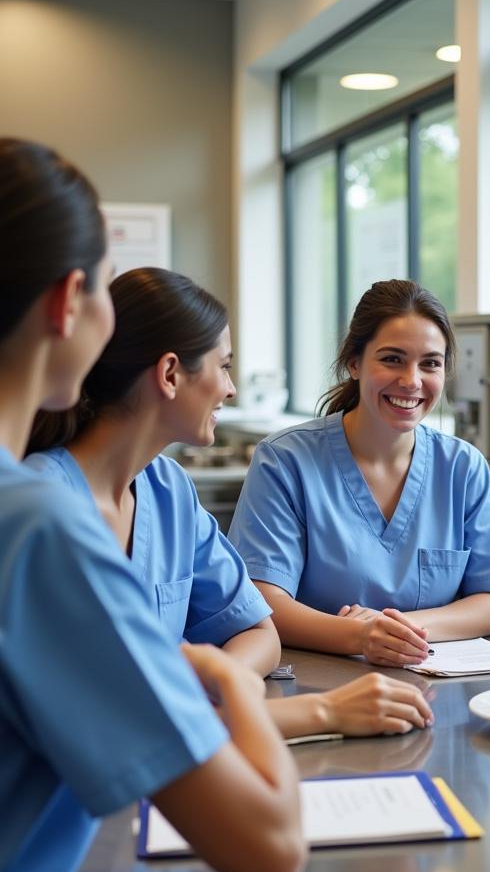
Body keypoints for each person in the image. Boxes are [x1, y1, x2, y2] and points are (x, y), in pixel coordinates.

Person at [0, 139, 303, 872]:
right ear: (68, 303)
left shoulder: (98, 499)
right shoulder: (35, 522)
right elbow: (272, 845)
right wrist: (211, 675)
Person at [25, 267, 434, 739]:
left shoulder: (168, 489)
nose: (231, 388)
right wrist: (314, 712)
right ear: (171, 374)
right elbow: (105, 715)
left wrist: (222, 683)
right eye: (223, 366)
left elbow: (261, 633)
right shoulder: (41, 507)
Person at [228, 279, 490, 667]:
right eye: (392, 359)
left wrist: (394, 630)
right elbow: (263, 600)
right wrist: (358, 637)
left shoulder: (462, 468)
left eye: (430, 363)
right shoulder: (285, 461)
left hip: (434, 683)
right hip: (319, 685)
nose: (412, 381)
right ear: (354, 363)